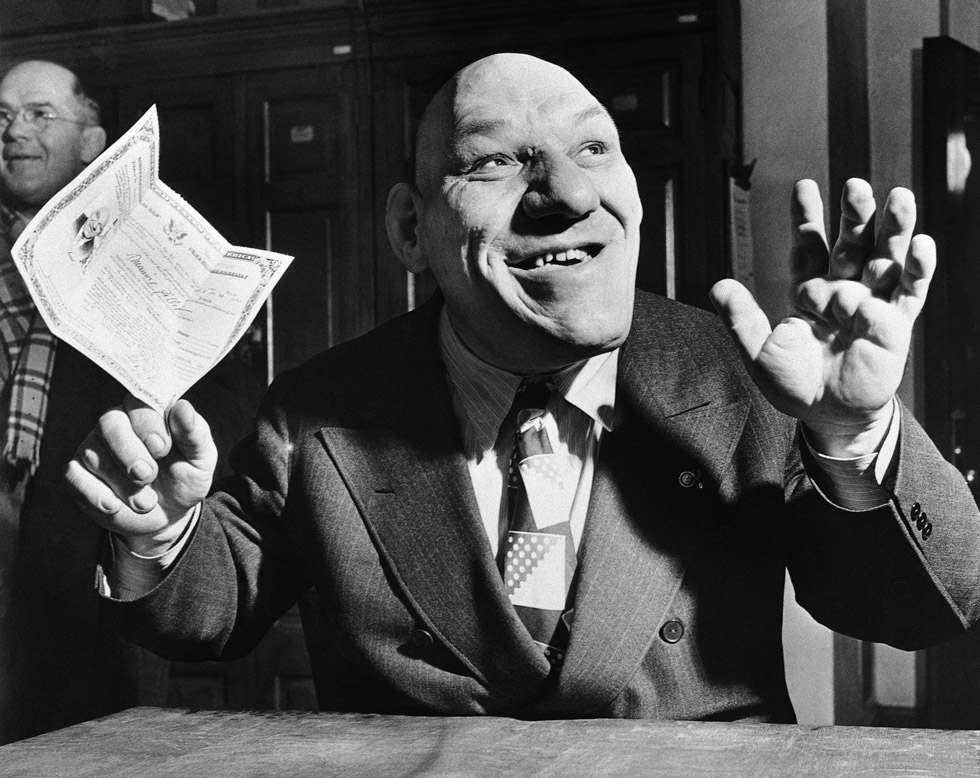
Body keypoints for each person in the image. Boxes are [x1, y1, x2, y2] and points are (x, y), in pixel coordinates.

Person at [68, 53, 980, 723]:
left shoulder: (744, 384)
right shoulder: (318, 411)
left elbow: (912, 610)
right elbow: (210, 607)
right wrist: (160, 535)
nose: (569, 194)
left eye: (593, 146)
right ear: (409, 229)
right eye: (498, 160)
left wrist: (855, 436)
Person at [0, 60, 258, 743]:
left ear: (93, 142)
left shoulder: (150, 246)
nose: (13, 132)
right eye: (1, 117)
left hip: (90, 543)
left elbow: (224, 402)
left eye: (38, 114)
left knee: (86, 740)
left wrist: (159, 434)